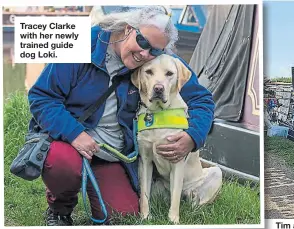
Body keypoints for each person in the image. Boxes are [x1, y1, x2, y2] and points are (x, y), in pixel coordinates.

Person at [27, 6, 218, 226]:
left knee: (122, 214)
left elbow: (202, 100)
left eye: (155, 51)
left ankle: (100, 184)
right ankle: (60, 209)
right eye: (143, 43)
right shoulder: (82, 43)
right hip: (72, 141)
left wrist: (193, 136)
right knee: (61, 163)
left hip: (114, 154)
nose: (145, 54)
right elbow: (41, 97)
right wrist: (74, 134)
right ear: (128, 29)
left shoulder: (156, 58)